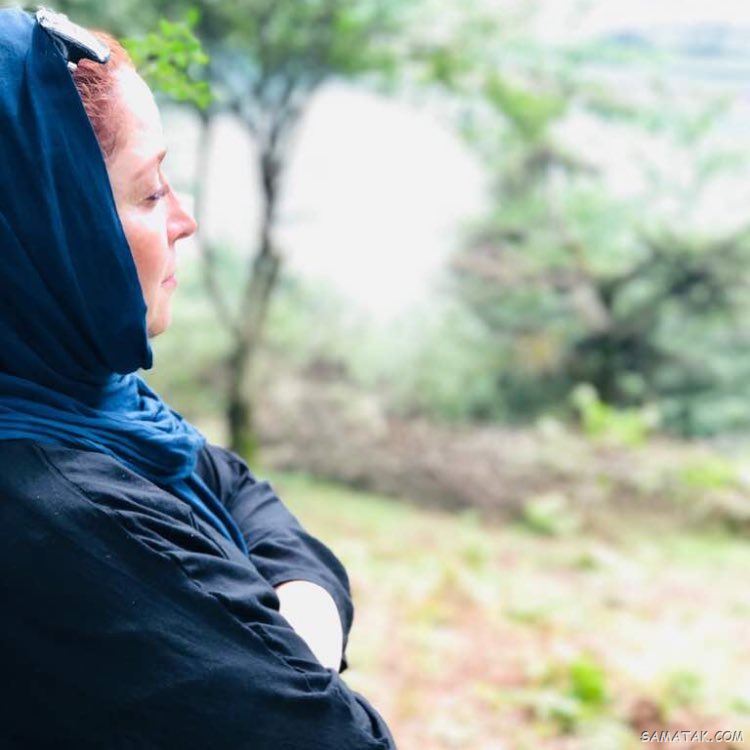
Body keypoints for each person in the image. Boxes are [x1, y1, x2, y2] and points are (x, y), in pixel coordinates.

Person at [0, 7, 397, 748]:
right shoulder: (62, 515)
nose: (184, 220)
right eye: (150, 193)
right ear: (44, 227)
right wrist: (295, 670)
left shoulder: (84, 400)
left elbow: (239, 490)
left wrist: (288, 643)